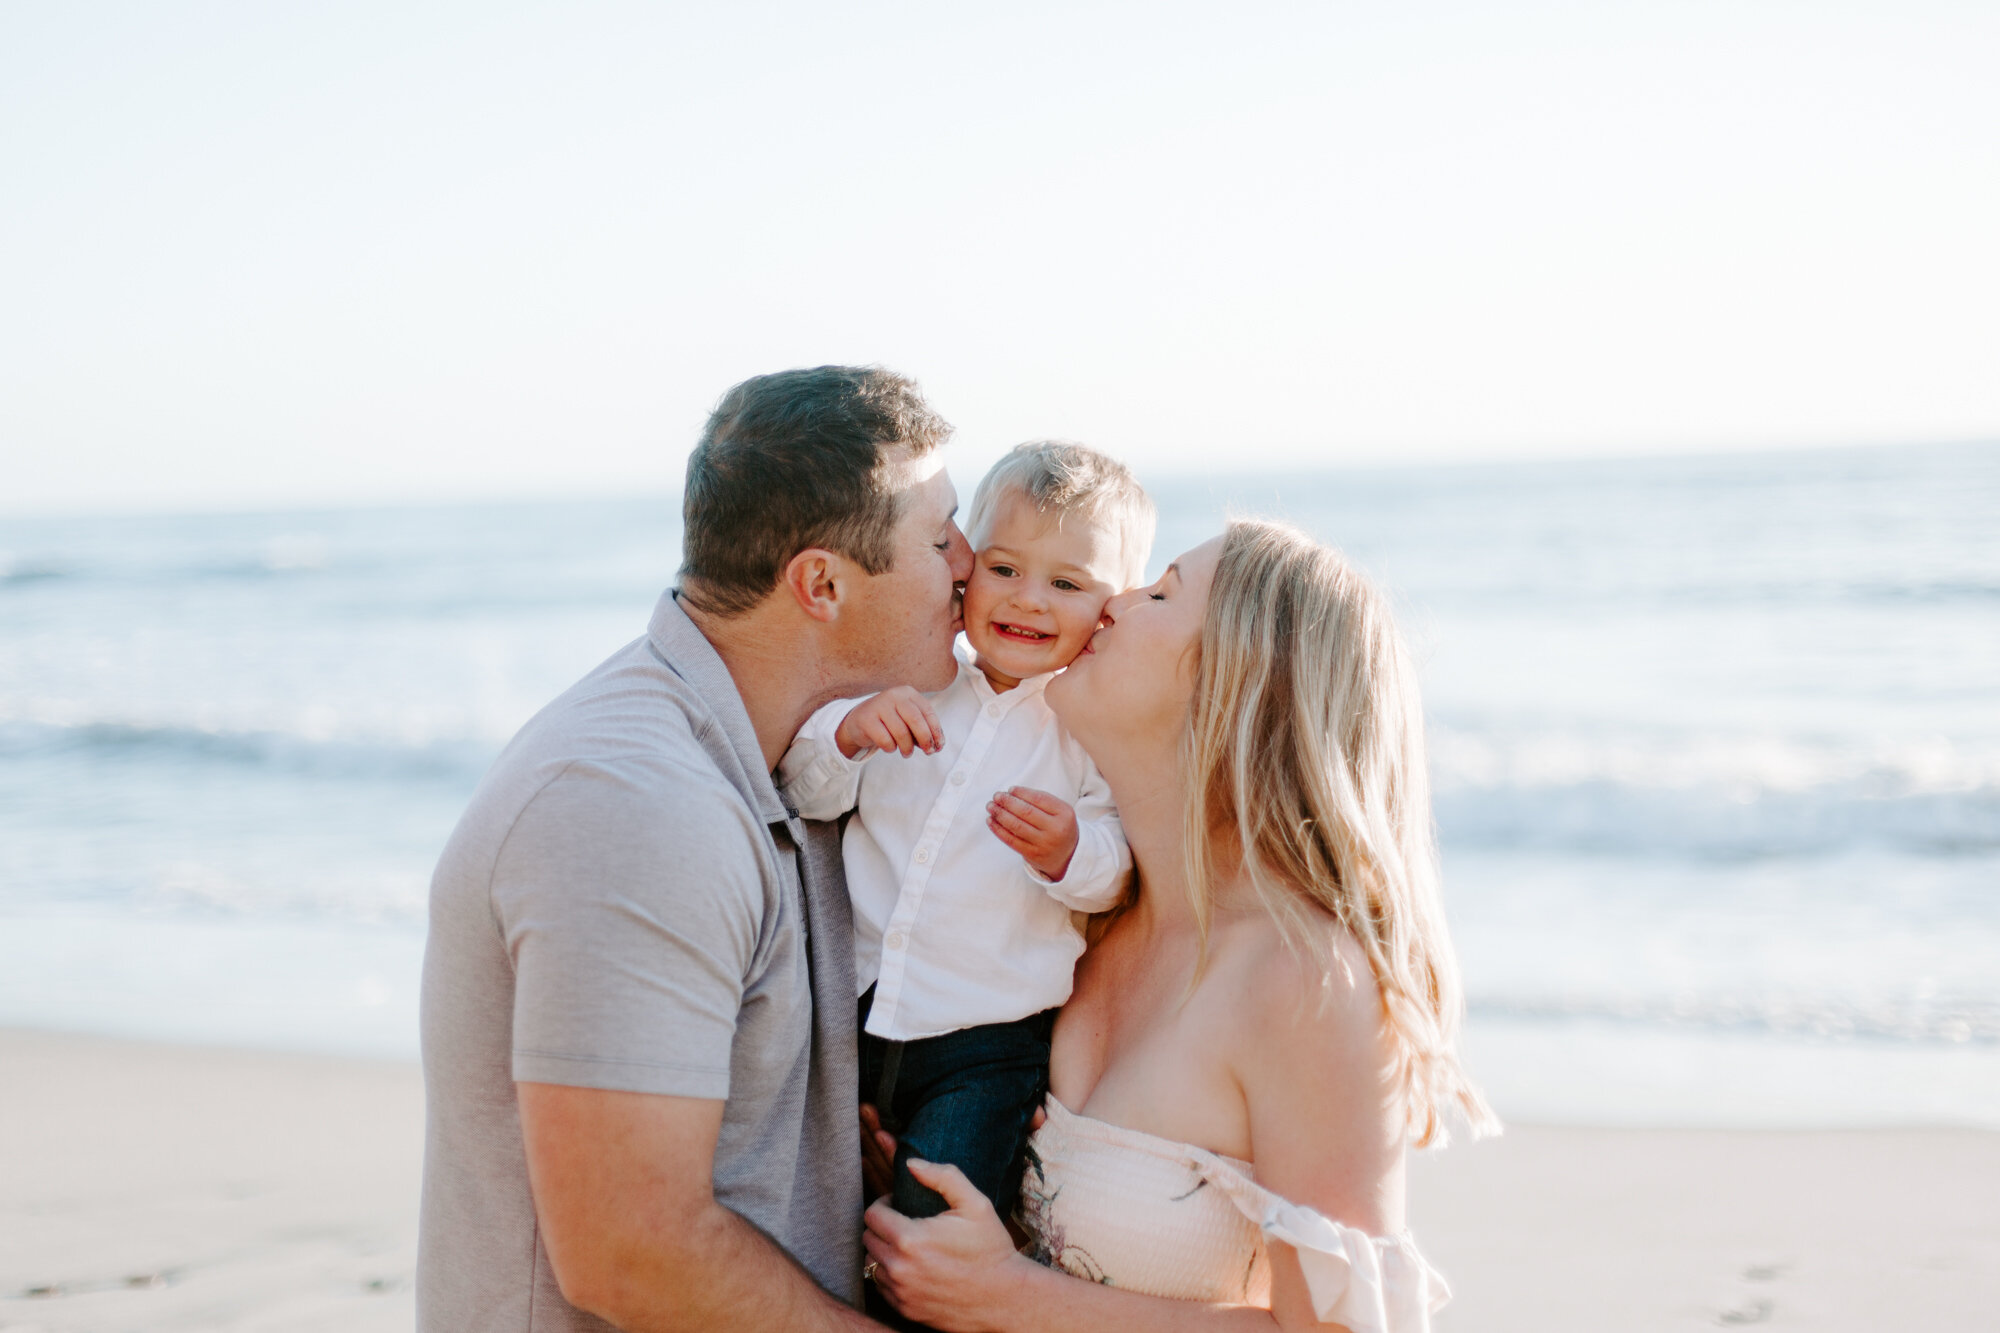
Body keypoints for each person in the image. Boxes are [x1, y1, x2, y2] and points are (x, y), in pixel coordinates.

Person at [416, 365, 972, 1332]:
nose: (970, 561)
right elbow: (632, 1251)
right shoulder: (634, 805)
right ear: (822, 583)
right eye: (938, 536)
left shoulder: (791, 762)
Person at [859, 520, 1497, 1333]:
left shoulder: (1303, 978)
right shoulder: (1083, 927)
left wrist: (1011, 1297)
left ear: (1233, 682)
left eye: (1160, 592)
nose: (1113, 601)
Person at [778, 443, 1154, 1247]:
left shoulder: (1088, 728)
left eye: (1067, 583)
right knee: (815, 1217)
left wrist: (1067, 850)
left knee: (933, 1222)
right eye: (1005, 568)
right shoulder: (910, 680)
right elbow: (805, 795)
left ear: (1111, 608)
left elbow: (1115, 870)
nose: (1028, 600)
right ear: (966, 566)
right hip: (851, 1013)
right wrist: (845, 736)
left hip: (984, 1044)